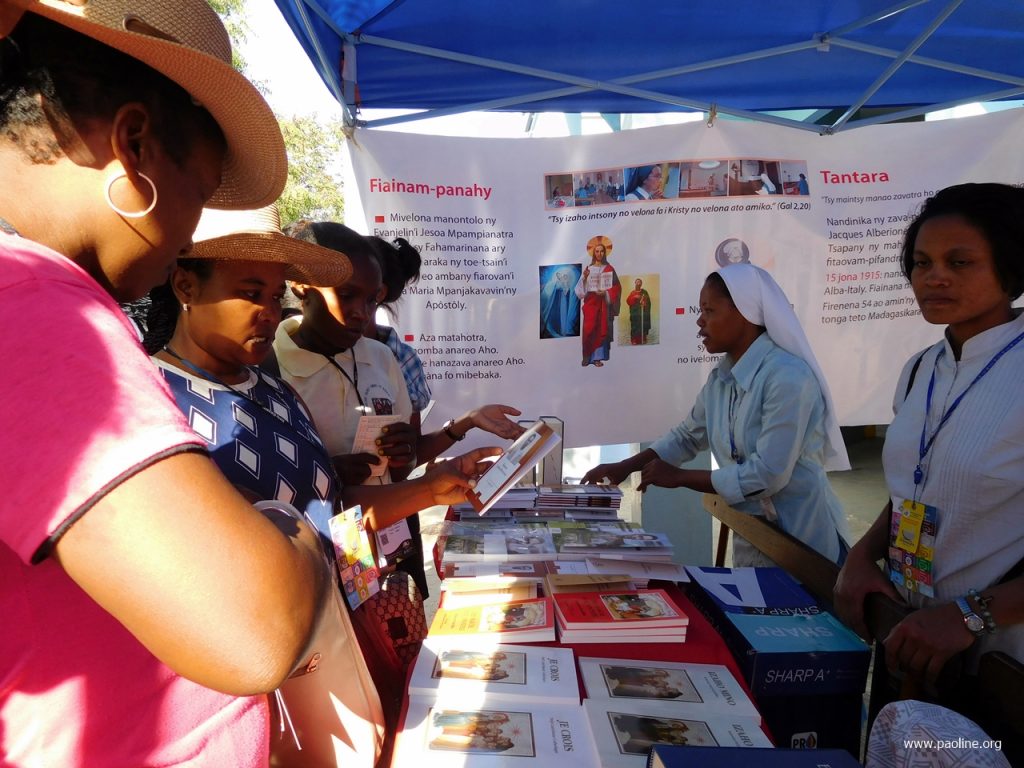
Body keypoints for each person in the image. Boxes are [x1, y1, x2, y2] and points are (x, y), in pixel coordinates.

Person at [0, 2, 333, 765]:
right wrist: (297, 535)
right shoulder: (35, 306)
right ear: (134, 144)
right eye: (202, 192)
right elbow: (251, 629)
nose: (189, 234)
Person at [834, 184, 1024, 707]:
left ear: (1011, 268)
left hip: (1000, 668)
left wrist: (969, 617)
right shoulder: (921, 368)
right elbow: (913, 490)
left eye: (959, 262)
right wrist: (862, 556)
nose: (933, 277)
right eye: (922, 263)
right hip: (907, 635)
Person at [583, 264, 851, 565]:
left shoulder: (788, 378)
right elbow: (686, 437)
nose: (700, 321)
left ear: (745, 314)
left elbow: (768, 475)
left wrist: (681, 477)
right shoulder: (721, 379)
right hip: (754, 544)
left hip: (806, 549)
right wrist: (624, 467)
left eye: (709, 311)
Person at [575, 234, 622, 367]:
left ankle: (597, 358)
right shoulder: (589, 269)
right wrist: (585, 278)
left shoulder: (610, 269)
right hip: (591, 304)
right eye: (597, 251)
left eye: (602, 251)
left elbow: (617, 287)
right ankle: (587, 356)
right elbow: (579, 292)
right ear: (593, 253)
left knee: (602, 329)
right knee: (589, 330)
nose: (599, 254)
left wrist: (606, 293)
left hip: (603, 305)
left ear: (605, 253)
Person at [540, 264, 581, 338]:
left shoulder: (568, 286)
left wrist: (565, 290)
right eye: (560, 277)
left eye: (565, 277)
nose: (562, 279)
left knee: (564, 317)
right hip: (559, 304)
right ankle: (560, 330)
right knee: (560, 317)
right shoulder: (556, 286)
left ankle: (564, 331)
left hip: (565, 303)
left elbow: (568, 291)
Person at [626, 277, 652, 344]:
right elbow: (628, 301)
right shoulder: (632, 293)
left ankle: (643, 339)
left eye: (640, 282)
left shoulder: (644, 292)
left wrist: (644, 303)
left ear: (641, 284)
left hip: (643, 313)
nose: (638, 283)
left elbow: (648, 301)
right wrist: (634, 297)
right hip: (635, 313)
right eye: (637, 282)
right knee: (635, 326)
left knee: (643, 325)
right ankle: (634, 340)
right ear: (635, 283)